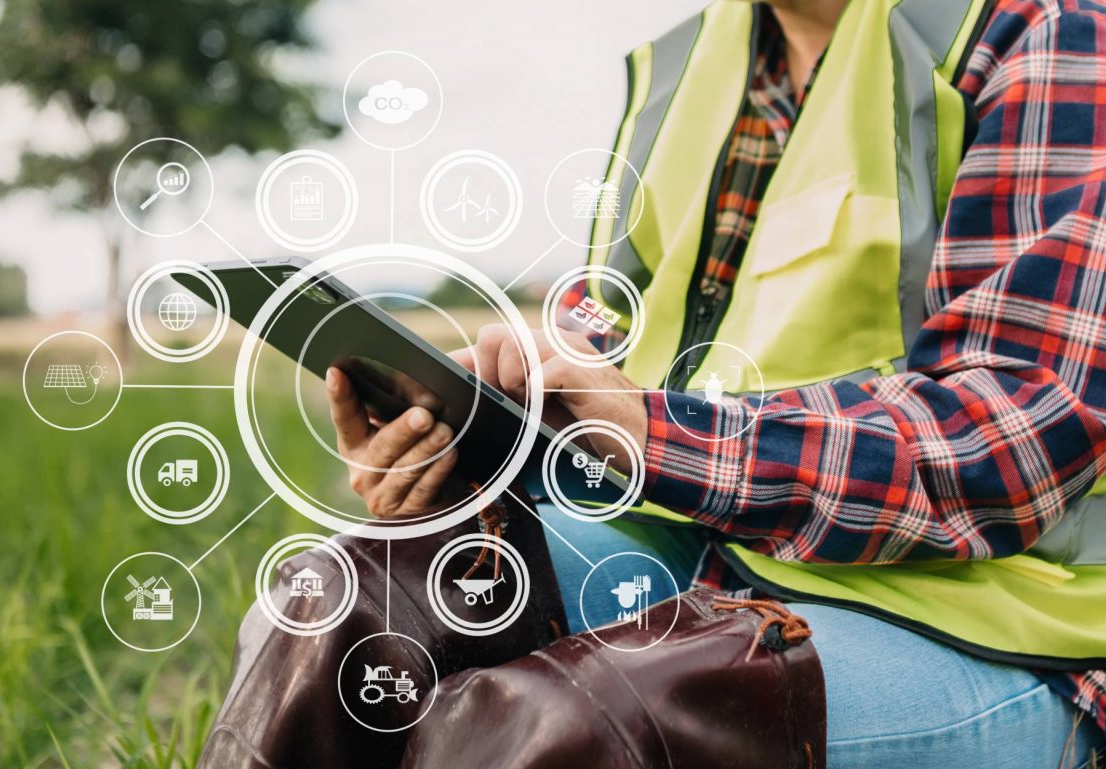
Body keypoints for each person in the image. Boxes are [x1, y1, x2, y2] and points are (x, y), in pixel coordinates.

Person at [206, 0, 1106, 767]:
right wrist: (482, 439)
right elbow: (611, 341)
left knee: (566, 729)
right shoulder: (683, 79)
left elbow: (1014, 435)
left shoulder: (1045, 37)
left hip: (1002, 618)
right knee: (349, 604)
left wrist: (654, 430)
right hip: (720, 545)